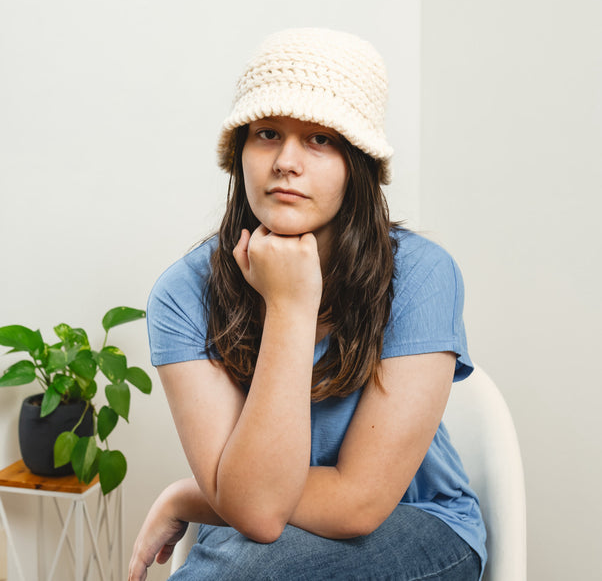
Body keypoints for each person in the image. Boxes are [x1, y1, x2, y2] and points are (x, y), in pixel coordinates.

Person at [128, 28, 487, 580]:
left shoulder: (421, 274)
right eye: (267, 133)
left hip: (420, 526)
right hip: (263, 536)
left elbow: (359, 503)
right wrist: (287, 309)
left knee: (240, 564)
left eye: (320, 139)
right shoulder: (182, 293)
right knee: (245, 556)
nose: (286, 162)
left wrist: (192, 497)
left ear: (357, 164)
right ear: (239, 153)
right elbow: (257, 513)